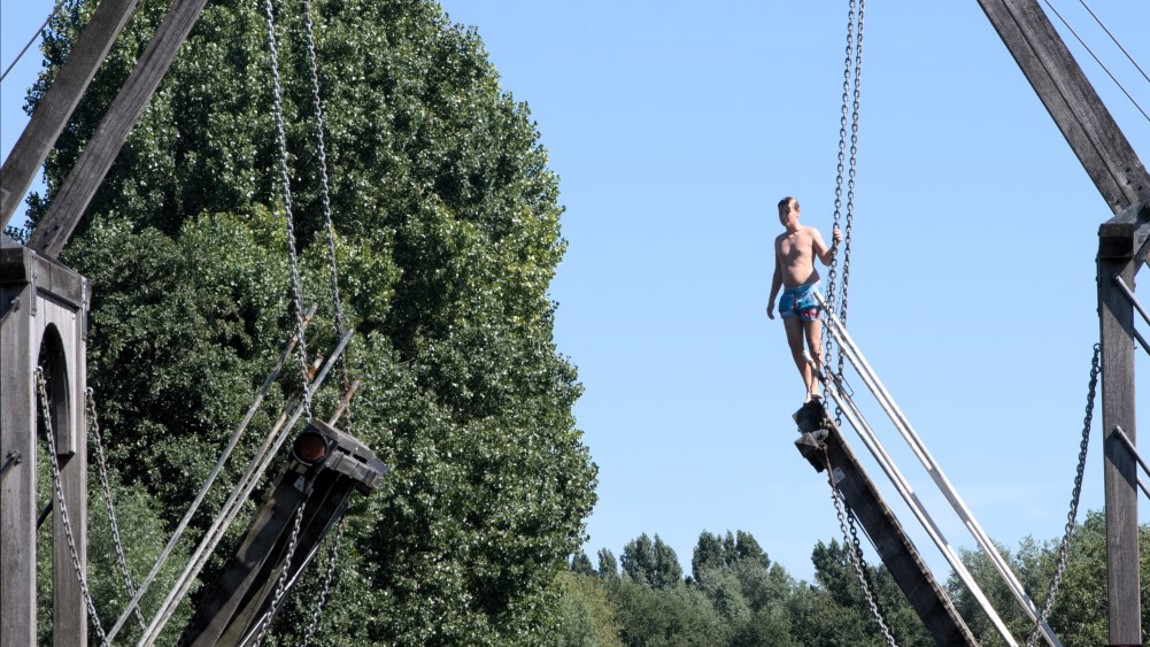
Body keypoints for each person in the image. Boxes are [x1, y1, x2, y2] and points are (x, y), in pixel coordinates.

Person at [766, 196, 842, 403]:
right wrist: (771, 299)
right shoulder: (779, 241)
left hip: (809, 292)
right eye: (780, 213)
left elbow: (826, 259)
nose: (784, 216)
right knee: (795, 346)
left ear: (797, 212)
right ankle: (808, 387)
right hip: (788, 295)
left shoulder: (810, 233)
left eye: (787, 212)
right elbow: (778, 272)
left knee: (814, 343)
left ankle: (816, 385)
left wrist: (835, 246)